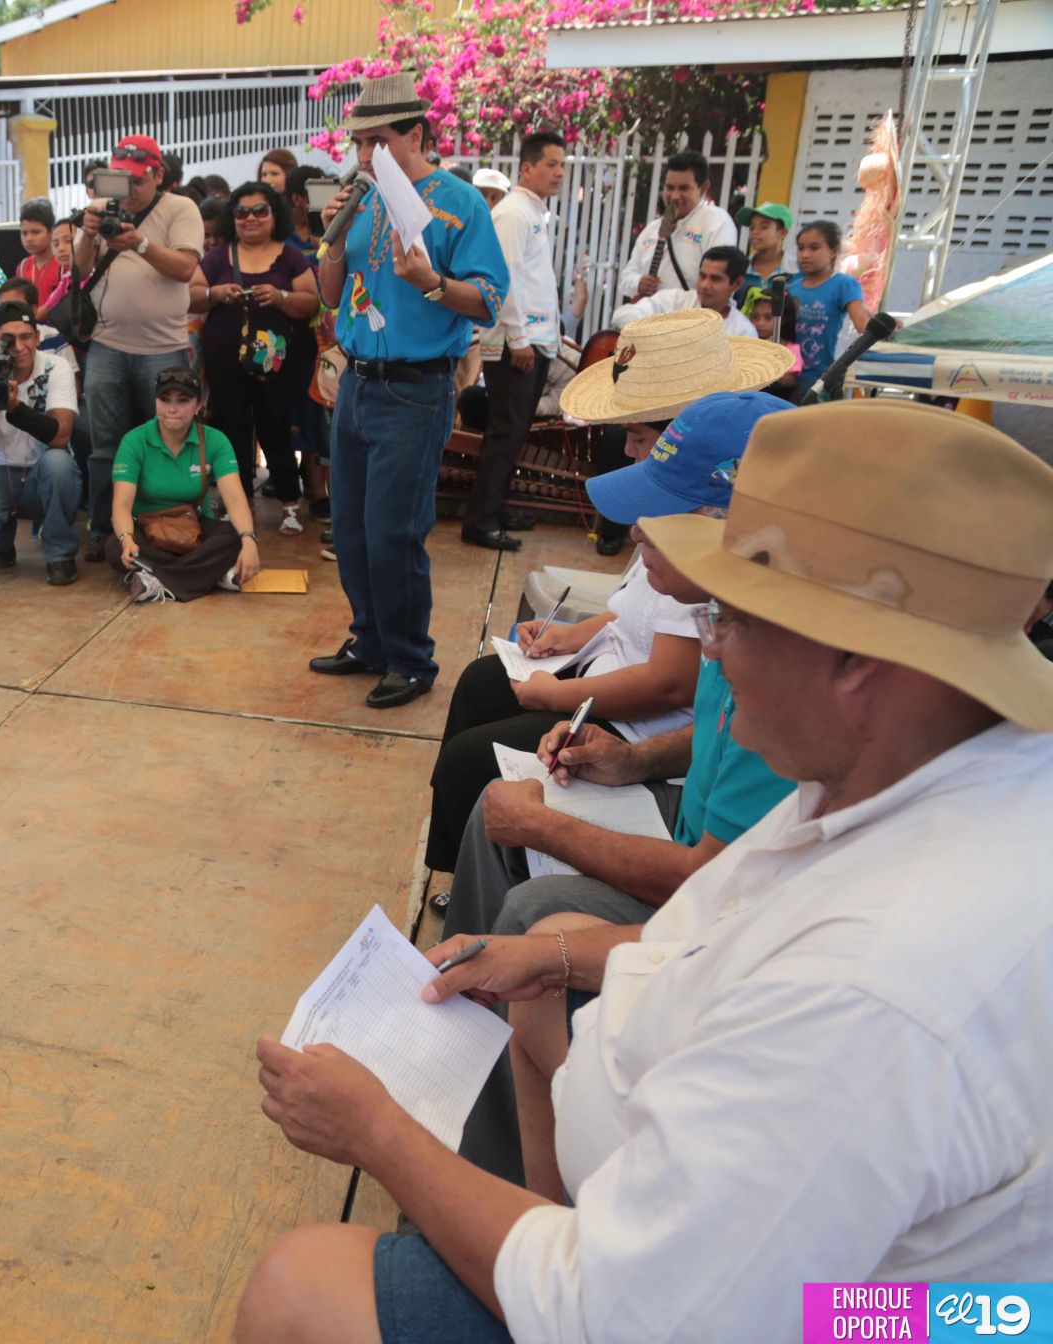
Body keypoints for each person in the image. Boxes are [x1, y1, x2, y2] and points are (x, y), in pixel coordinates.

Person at [236, 401, 1053, 1342]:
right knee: (550, 938)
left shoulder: (875, 992)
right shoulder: (913, 766)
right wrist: (561, 966)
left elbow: (632, 1315)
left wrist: (379, 1135)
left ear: (857, 659)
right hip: (844, 1283)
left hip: (824, 1314)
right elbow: (732, 918)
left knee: (302, 1282)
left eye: (734, 617)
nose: (709, 648)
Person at [442, 390, 797, 1185]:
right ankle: (453, 1020)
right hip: (702, 869)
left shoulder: (773, 661)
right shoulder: (724, 619)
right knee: (497, 812)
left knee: (536, 914)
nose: (636, 537)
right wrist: (632, 761)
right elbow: (714, 742)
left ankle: (486, 1176)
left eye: (658, 516)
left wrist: (547, 829)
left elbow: (715, 883)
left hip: (723, 912)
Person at [306, 73, 509, 710]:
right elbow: (333, 296)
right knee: (351, 528)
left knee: (395, 531)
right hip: (358, 385)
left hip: (416, 390)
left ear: (416, 133)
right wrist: (331, 235)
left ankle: (410, 658)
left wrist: (430, 283)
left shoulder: (457, 204)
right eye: (359, 142)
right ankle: (369, 640)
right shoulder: (361, 199)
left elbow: (489, 301)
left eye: (378, 141)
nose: (365, 155)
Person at [73, 134, 208, 564]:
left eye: (137, 181)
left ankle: (161, 524)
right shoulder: (100, 209)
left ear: (158, 174)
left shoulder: (179, 208)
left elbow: (186, 268)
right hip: (107, 345)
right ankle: (102, 529)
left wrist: (140, 244)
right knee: (104, 447)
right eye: (121, 181)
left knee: (165, 443)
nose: (128, 192)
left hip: (163, 348)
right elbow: (79, 271)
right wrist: (86, 233)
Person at [191, 182, 321, 537]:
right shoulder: (218, 256)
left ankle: (291, 506)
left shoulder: (291, 255)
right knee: (232, 432)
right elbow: (190, 297)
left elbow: (311, 302)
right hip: (224, 362)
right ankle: (239, 504)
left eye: (259, 210)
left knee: (276, 430)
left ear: (274, 214)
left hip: (275, 365)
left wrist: (280, 297)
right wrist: (215, 293)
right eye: (241, 212)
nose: (250, 218)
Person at [466, 132, 567, 552]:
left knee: (514, 430)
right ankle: (480, 521)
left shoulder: (532, 212)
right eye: (551, 164)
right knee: (506, 430)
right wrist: (520, 339)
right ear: (526, 168)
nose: (559, 172)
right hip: (514, 344)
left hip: (532, 341)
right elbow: (501, 281)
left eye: (563, 165)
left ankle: (496, 507)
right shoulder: (512, 213)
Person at [105, 366, 261, 603]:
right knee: (115, 548)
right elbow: (121, 505)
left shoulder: (215, 440)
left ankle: (155, 578)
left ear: (199, 405)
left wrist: (250, 541)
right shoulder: (134, 441)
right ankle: (209, 575)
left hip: (194, 527)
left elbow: (236, 499)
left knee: (235, 536)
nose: (172, 408)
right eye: (164, 399)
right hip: (146, 528)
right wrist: (127, 540)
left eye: (183, 400)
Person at [0, 304, 81, 584]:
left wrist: (14, 408)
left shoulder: (54, 366)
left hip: (44, 470)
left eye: (26, 336)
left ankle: (59, 554)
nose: (19, 346)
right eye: (8, 339)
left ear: (37, 336)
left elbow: (61, 436)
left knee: (59, 464)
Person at [616, 149, 738, 301]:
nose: (674, 196)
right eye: (670, 187)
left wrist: (668, 304)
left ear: (704, 188)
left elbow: (720, 284)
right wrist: (639, 283)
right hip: (650, 320)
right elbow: (627, 276)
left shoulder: (717, 222)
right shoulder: (652, 229)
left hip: (695, 320)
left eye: (683, 188)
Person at [790, 219, 872, 393]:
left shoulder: (843, 284)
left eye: (814, 248)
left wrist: (884, 325)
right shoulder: (792, 286)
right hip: (789, 381)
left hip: (825, 381)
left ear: (833, 251)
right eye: (800, 248)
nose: (805, 254)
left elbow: (862, 323)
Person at [610, 245, 755, 337]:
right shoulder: (675, 300)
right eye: (702, 276)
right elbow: (623, 315)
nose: (705, 285)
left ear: (737, 283)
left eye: (715, 279)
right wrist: (664, 337)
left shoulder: (743, 332)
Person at [15, 197, 65, 311]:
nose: (29, 239)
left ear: (52, 231)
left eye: (35, 232)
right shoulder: (22, 267)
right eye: (24, 233)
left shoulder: (64, 264)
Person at [738, 201, 792, 296]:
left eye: (764, 227)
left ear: (783, 233)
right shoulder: (740, 270)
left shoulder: (795, 271)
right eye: (752, 227)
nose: (755, 232)